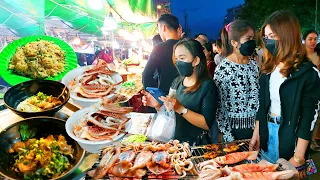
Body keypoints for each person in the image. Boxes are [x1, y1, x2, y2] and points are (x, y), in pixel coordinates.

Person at [249, 10, 320, 179]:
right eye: (266, 37)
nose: (268, 41)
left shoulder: (308, 73)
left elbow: (309, 117)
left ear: (287, 35)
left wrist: (299, 156)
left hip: (291, 138)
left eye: (272, 35)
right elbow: (263, 105)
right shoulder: (269, 69)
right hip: (268, 132)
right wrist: (256, 134)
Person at [142, 39, 219, 145]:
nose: (178, 62)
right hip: (176, 142)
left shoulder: (208, 86)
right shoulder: (177, 82)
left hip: (197, 144)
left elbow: (206, 123)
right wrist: (158, 105)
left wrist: (181, 109)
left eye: (182, 58)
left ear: (196, 60)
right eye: (176, 58)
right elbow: (169, 111)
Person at [214, 20, 259, 142]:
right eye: (248, 38)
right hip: (233, 131)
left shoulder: (254, 64)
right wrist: (228, 137)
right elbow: (220, 106)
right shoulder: (223, 69)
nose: (252, 42)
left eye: (253, 38)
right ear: (234, 43)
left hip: (257, 129)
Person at [142, 14, 180, 95]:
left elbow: (146, 75)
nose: (159, 32)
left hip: (166, 95)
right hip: (186, 95)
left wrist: (154, 95)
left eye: (158, 28)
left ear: (164, 27)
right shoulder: (187, 45)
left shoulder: (159, 48)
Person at [303, 30, 320, 151]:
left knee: (317, 115)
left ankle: (312, 140)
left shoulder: (319, 55)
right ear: (304, 40)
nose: (313, 42)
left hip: (317, 89)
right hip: (304, 90)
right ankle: (302, 141)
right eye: (310, 39)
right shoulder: (299, 55)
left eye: (315, 39)